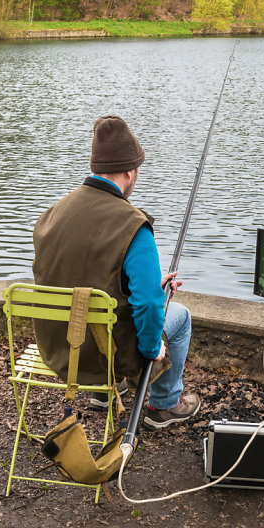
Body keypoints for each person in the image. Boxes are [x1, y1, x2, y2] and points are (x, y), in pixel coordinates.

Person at [32, 114, 202, 430]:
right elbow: (149, 306)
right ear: (129, 171)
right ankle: (163, 405)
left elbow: (77, 276)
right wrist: (153, 350)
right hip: (103, 355)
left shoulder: (52, 214)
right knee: (179, 317)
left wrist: (151, 283)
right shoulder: (134, 226)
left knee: (113, 309)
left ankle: (106, 394)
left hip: (58, 348)